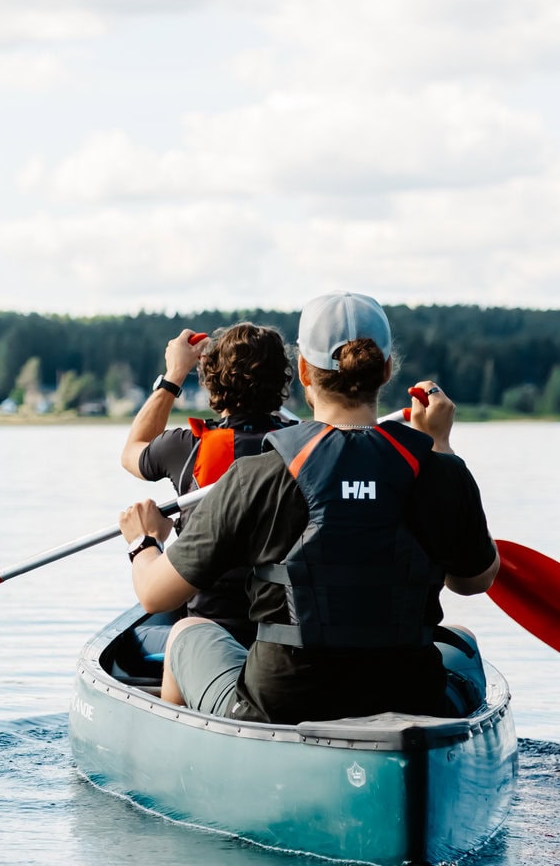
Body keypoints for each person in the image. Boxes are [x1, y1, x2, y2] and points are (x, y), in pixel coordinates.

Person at [115, 292, 500, 724]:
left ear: (304, 372)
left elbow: (153, 593)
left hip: (282, 702)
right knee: (461, 640)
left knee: (185, 630)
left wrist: (143, 541)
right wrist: (441, 447)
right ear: (388, 369)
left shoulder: (256, 474)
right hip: (410, 696)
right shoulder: (438, 470)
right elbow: (475, 580)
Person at [116, 322, 296, 703]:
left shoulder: (184, 449)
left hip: (210, 632)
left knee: (131, 642)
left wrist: (172, 376)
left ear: (211, 382)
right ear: (282, 381)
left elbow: (133, 450)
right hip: (289, 634)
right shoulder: (304, 448)